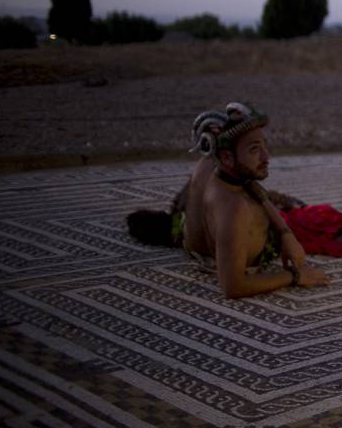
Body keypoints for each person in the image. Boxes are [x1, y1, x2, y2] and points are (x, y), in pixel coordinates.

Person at [127, 102, 331, 297]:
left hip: (195, 239)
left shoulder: (214, 164)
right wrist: (294, 276)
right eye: (254, 150)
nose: (266, 156)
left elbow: (250, 184)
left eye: (264, 146)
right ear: (227, 157)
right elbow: (233, 286)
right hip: (218, 249)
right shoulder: (234, 208)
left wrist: (285, 233)